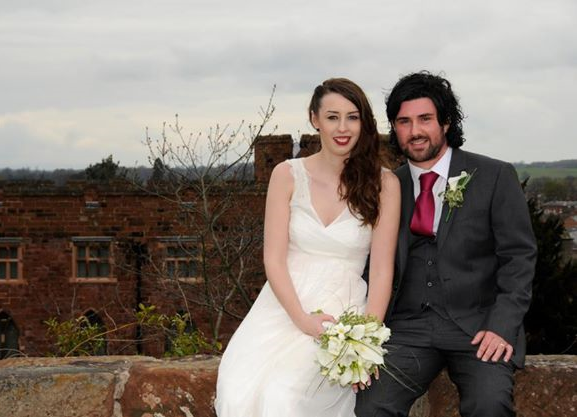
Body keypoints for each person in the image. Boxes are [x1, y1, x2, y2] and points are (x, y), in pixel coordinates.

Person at [355, 71, 537, 417]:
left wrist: (501, 326)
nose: (415, 131)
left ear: (447, 122)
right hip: (406, 330)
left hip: (478, 327)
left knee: (489, 405)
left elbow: (519, 258)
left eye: (425, 119)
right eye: (404, 122)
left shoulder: (494, 176)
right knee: (371, 406)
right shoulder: (387, 186)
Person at [214, 78, 400, 417]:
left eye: (352, 117)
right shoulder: (286, 175)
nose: (342, 128)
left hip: (340, 311)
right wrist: (301, 319)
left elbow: (382, 270)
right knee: (236, 393)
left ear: (364, 122)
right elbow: (273, 259)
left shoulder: (384, 183)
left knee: (282, 398)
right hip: (283, 305)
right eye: (332, 117)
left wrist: (364, 342)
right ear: (315, 119)